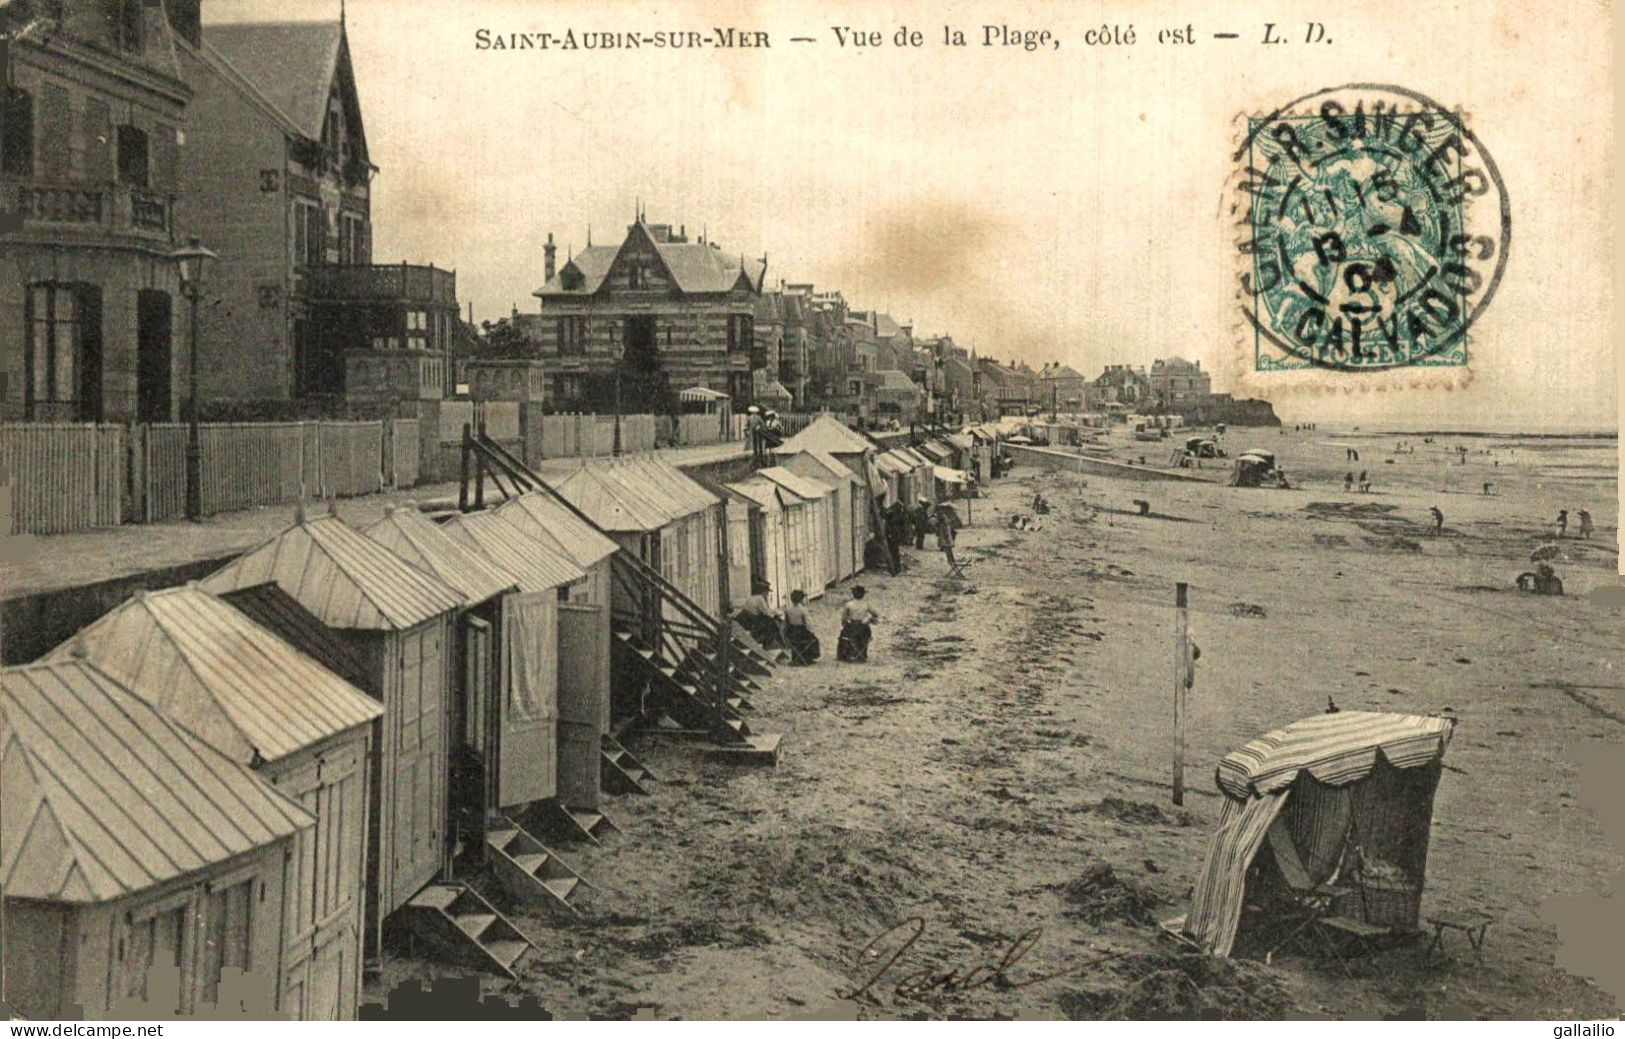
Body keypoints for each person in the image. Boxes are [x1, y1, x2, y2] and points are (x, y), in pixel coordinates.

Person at [733, 580, 783, 649]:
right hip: (754, 622)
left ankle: (773, 643)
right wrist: (776, 614)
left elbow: (764, 610)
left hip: (748, 621)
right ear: (763, 591)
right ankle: (773, 644)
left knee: (771, 622)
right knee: (773, 624)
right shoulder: (760, 598)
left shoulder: (751, 598)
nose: (767, 594)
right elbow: (767, 613)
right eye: (767, 592)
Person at [836, 586, 878, 663]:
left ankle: (844, 654)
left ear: (853, 594)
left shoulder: (848, 604)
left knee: (843, 635)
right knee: (865, 635)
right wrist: (869, 618)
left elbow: (844, 618)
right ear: (863, 595)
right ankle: (862, 654)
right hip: (863, 628)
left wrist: (844, 624)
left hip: (851, 628)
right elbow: (876, 613)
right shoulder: (866, 604)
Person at [783, 589, 820, 665]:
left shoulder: (787, 610)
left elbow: (786, 623)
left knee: (797, 642)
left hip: (791, 633)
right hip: (801, 632)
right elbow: (808, 623)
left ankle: (796, 657)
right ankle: (808, 657)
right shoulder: (803, 610)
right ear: (801, 599)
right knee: (814, 640)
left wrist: (785, 634)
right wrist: (812, 631)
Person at [881, 501, 906, 575]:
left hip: (892, 535)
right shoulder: (899, 514)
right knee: (895, 552)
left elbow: (884, 515)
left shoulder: (893, 515)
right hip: (895, 535)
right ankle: (897, 568)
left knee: (892, 552)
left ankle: (893, 569)